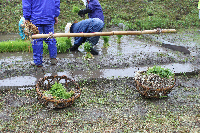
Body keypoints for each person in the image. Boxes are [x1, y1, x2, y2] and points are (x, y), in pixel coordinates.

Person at [22, 0, 60, 67]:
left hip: (36, 17)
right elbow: (56, 3)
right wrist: (55, 15)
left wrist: (27, 17)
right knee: (51, 38)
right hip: (49, 17)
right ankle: (53, 59)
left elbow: (26, 4)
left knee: (37, 40)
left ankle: (38, 61)